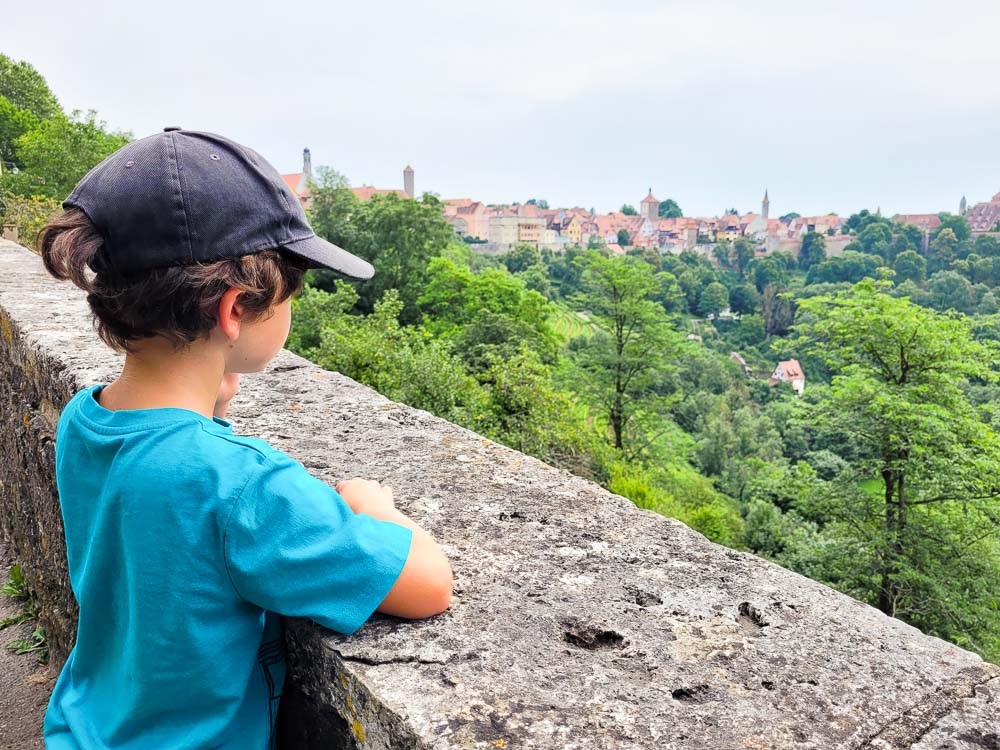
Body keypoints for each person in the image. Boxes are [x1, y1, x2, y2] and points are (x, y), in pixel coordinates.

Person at [35, 127, 453, 749]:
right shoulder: (240, 480)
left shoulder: (84, 417)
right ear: (234, 310)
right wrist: (375, 506)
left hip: (85, 729)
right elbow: (428, 584)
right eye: (293, 291)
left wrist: (209, 399)